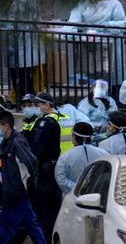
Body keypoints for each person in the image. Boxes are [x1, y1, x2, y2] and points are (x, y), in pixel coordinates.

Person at [0, 110, 48, 244]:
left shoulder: (16, 142)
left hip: (15, 192)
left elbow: (32, 161)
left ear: (6, 126)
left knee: (5, 226)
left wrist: (28, 181)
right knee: (32, 225)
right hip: (14, 191)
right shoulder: (6, 142)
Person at [30, 92, 65, 242]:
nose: (36, 108)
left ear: (48, 105)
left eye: (38, 105)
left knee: (45, 211)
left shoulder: (45, 123)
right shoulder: (65, 118)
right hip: (64, 167)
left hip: (48, 172)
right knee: (57, 208)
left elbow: (37, 149)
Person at [6, 0, 46, 101]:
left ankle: (25, 101)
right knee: (25, 76)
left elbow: (12, 21)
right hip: (30, 45)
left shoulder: (20, 1)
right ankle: (30, 100)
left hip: (19, 44)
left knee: (19, 76)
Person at [54, 122, 108, 194]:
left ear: (73, 136)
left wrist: (78, 189)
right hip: (97, 197)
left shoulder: (65, 157)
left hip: (72, 198)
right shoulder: (104, 154)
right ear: (90, 137)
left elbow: (61, 180)